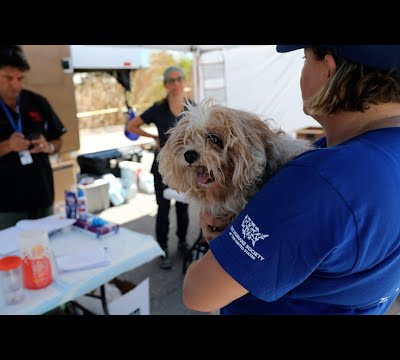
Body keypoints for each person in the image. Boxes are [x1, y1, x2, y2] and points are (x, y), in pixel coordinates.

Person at [183, 45, 400, 315]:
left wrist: (220, 242)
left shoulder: (320, 180)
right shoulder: (369, 153)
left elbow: (199, 293)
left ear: (328, 69)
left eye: (305, 59)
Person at [0, 45, 67, 231]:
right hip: (8, 205)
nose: (16, 85)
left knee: (46, 252)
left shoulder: (37, 102)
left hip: (43, 198)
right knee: (13, 256)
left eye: (20, 78)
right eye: (8, 78)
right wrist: (7, 146)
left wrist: (47, 146)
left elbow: (58, 141)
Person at [126, 66, 193, 269]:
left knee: (183, 208)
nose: (175, 84)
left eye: (178, 79)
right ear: (165, 85)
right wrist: (154, 137)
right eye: (170, 80)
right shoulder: (158, 108)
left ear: (183, 82)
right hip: (162, 167)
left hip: (185, 167)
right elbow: (131, 126)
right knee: (162, 210)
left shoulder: (192, 108)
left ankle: (182, 242)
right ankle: (162, 248)